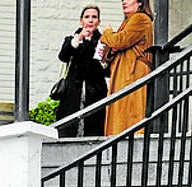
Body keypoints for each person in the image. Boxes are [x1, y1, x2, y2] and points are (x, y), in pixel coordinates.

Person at [101, 0, 154, 135]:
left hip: (132, 72)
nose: (124, 2)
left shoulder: (140, 18)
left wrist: (107, 32)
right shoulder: (129, 21)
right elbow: (114, 46)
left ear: (140, 2)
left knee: (129, 112)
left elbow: (119, 41)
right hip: (124, 71)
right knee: (119, 111)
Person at [55, 6, 109, 138]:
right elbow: (63, 56)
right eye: (87, 17)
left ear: (98, 21)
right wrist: (79, 39)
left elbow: (108, 71)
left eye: (94, 17)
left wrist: (104, 60)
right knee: (69, 127)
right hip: (73, 92)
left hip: (96, 92)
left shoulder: (104, 41)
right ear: (81, 21)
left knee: (94, 128)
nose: (90, 20)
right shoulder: (72, 40)